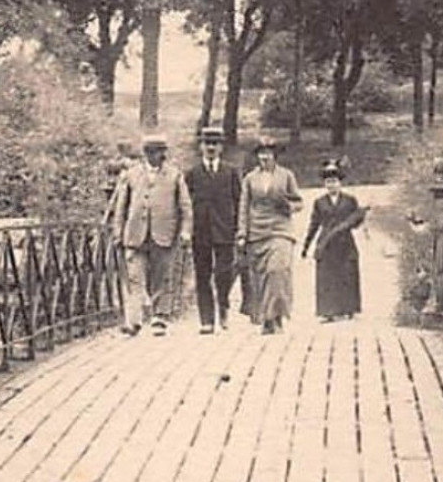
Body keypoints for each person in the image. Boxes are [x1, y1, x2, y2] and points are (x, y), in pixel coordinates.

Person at [110, 134, 192, 337]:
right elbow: (121, 206)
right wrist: (118, 231)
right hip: (135, 234)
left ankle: (159, 316)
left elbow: (185, 206)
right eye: (153, 152)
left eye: (161, 151)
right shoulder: (131, 174)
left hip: (164, 233)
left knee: (161, 277)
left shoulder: (175, 175)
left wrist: (185, 231)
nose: (158, 156)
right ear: (146, 153)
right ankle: (133, 321)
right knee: (134, 277)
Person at [236, 135, 302, 334]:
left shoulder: (286, 176)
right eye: (261, 154)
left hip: (280, 230)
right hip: (257, 232)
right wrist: (242, 233)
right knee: (260, 277)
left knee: (278, 271)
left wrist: (287, 206)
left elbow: (298, 202)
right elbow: (244, 206)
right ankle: (266, 318)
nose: (265, 157)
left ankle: (278, 315)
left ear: (275, 156)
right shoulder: (249, 178)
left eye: (268, 153)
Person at [184, 125, 241, 335]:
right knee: (202, 275)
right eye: (207, 143)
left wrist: (239, 229)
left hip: (225, 230)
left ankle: (223, 306)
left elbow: (239, 201)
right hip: (200, 232)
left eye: (215, 144)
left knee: (224, 274)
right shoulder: (192, 174)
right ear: (201, 146)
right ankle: (206, 319)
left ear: (221, 147)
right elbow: (185, 204)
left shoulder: (231, 172)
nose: (211, 147)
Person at [302, 159, 366, 322]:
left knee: (347, 274)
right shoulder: (319, 202)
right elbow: (314, 224)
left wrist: (358, 218)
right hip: (327, 243)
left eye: (334, 181)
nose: (331, 185)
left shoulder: (350, 200)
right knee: (327, 276)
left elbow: (356, 222)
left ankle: (348, 308)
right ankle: (328, 311)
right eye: (328, 182)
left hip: (345, 242)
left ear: (340, 183)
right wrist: (306, 245)